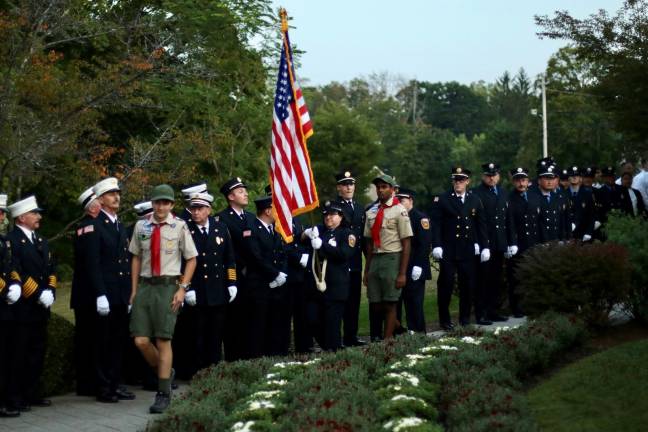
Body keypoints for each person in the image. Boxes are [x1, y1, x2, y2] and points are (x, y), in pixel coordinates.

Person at [129, 184, 197, 414]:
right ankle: (165, 371)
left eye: (165, 203)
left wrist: (182, 289)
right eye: (158, 202)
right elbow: (136, 258)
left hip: (168, 286)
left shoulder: (179, 226)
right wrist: (134, 289)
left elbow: (192, 259)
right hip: (146, 286)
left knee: (163, 339)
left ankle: (163, 392)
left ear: (172, 205)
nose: (161, 206)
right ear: (153, 203)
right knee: (140, 340)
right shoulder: (141, 226)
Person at [80, 177, 135, 402]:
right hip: (106, 293)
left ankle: (114, 383)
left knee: (117, 341)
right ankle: (103, 387)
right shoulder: (95, 225)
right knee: (103, 342)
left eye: (118, 193)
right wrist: (100, 294)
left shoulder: (117, 223)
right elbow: (92, 264)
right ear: (101, 199)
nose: (117, 197)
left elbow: (124, 260)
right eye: (112, 194)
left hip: (120, 292)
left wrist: (129, 293)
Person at [6, 196, 56, 412]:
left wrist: (51, 290)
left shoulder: (41, 241)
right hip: (23, 308)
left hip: (41, 308)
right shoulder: (12, 241)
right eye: (35, 213)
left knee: (37, 351)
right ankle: (15, 396)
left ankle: (31, 392)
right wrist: (38, 293)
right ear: (21, 217)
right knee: (19, 354)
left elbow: (51, 269)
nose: (39, 217)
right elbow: (16, 270)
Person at [184, 192, 237, 371]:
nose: (195, 212)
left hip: (218, 290)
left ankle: (213, 369)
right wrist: (186, 287)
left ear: (208, 210)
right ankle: (197, 370)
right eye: (193, 209)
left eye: (199, 209)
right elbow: (180, 262)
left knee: (216, 333)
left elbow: (229, 258)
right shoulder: (185, 229)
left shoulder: (220, 227)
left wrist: (232, 283)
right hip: (197, 289)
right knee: (197, 333)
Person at [431, 167, 489, 329]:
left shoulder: (474, 200)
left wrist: (484, 246)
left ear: (467, 182)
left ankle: (464, 319)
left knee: (468, 286)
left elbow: (480, 225)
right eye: (456, 180)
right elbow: (436, 225)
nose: (458, 183)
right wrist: (436, 245)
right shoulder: (442, 199)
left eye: (461, 180)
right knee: (446, 285)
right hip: (448, 250)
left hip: (467, 249)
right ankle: (445, 320)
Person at [363, 174, 412, 339]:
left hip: (393, 258)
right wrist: (366, 270)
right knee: (376, 303)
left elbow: (406, 243)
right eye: (378, 187)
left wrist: (402, 273)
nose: (380, 190)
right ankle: (399, 329)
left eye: (384, 187)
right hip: (376, 258)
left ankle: (386, 341)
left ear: (392, 190)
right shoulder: (371, 212)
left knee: (390, 303)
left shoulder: (400, 211)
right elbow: (369, 244)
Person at [303, 200, 354, 351]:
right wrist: (307, 234)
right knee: (311, 319)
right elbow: (300, 238)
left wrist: (322, 246)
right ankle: (329, 348)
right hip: (317, 287)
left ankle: (334, 354)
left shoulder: (347, 234)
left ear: (341, 216)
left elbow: (344, 254)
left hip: (335, 286)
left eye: (333, 214)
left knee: (332, 326)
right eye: (326, 214)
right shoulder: (320, 230)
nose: (328, 217)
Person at [244, 195, 288, 358]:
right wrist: (274, 274)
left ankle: (274, 356)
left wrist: (282, 272)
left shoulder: (275, 229)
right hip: (260, 285)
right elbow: (256, 257)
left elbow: (282, 252)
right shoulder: (252, 229)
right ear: (268, 210)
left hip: (276, 286)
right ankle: (257, 359)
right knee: (259, 325)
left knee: (275, 323)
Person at [217, 177, 256, 361]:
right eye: (241, 191)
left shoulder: (250, 217)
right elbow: (227, 250)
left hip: (253, 276)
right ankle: (234, 359)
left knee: (250, 319)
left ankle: (249, 357)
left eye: (244, 190)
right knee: (233, 321)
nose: (246, 193)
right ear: (231, 196)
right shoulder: (222, 219)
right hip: (234, 275)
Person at [69, 186, 102, 397]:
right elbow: (91, 263)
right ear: (92, 208)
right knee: (90, 340)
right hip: (88, 294)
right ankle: (89, 383)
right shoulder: (89, 227)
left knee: (89, 339)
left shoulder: (89, 226)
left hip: (85, 294)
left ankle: (88, 382)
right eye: (99, 202)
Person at [471, 163, 509, 324]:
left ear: (498, 176)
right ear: (483, 176)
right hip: (484, 243)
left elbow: (506, 218)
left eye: (494, 175)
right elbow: (474, 222)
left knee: (496, 279)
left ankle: (494, 310)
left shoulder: (503, 193)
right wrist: (478, 243)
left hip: (499, 242)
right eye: (488, 175)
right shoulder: (476, 193)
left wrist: (509, 242)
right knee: (483, 281)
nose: (491, 178)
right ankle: (481, 313)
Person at [335, 170, 366, 346]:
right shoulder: (334, 207)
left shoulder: (360, 207)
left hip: (355, 262)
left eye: (351, 184)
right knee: (340, 300)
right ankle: (336, 337)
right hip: (340, 261)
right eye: (345, 184)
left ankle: (351, 336)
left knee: (354, 301)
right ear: (339, 187)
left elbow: (362, 236)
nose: (349, 187)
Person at [394, 187, 432, 333]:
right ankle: (399, 333)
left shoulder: (419, 218)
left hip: (416, 267)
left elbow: (424, 244)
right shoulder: (397, 218)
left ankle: (418, 332)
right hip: (400, 266)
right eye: (397, 200)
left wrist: (419, 265)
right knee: (398, 302)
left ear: (410, 201)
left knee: (414, 303)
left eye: (402, 200)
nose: (399, 203)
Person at [505, 167, 541, 318]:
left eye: (523, 180)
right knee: (516, 278)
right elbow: (508, 223)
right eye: (518, 180)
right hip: (517, 244)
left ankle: (532, 305)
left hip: (533, 243)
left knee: (533, 275)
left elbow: (538, 222)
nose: (521, 183)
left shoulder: (534, 197)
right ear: (513, 182)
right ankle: (517, 308)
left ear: (528, 181)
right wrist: (510, 243)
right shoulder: (509, 199)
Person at [0, 212, 22, 417]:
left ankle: (6, 399)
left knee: (7, 355)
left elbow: (10, 266)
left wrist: (15, 283)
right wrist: (5, 289)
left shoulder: (3, 240)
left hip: (4, 306)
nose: (2, 217)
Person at [532, 164, 568, 243]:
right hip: (539, 241)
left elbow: (561, 220)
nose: (549, 182)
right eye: (546, 179)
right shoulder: (532, 197)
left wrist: (562, 238)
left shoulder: (557, 197)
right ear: (539, 180)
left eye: (551, 179)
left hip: (555, 240)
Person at [565, 166, 595, 242]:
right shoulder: (563, 194)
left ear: (580, 178)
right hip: (568, 234)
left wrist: (589, 232)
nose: (574, 178)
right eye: (572, 176)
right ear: (568, 178)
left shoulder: (587, 194)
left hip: (583, 234)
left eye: (577, 176)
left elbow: (592, 216)